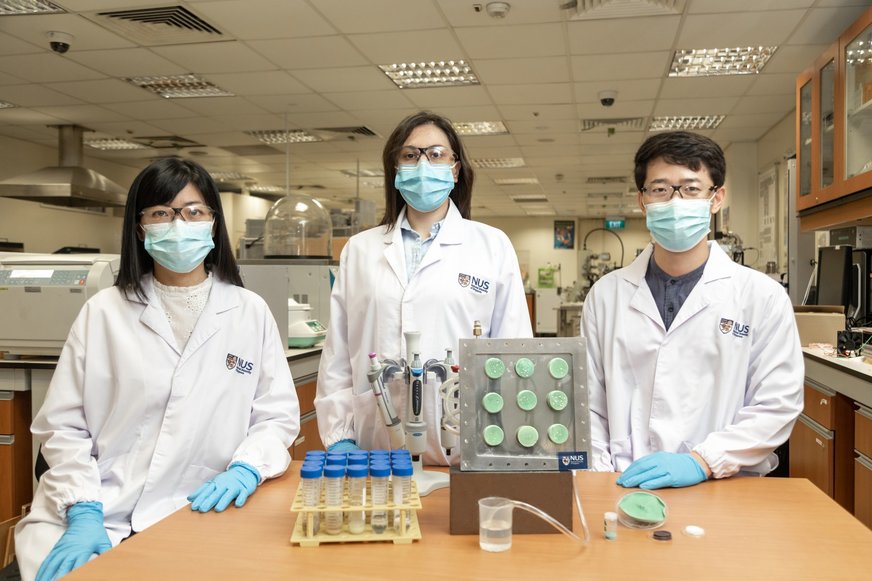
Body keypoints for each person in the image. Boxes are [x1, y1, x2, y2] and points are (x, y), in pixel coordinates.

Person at [15, 158, 300, 581]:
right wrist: (84, 508)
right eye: (162, 213)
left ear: (213, 224)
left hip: (203, 503)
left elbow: (276, 417)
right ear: (139, 227)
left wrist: (247, 467)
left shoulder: (248, 311)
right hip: (101, 503)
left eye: (194, 211)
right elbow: (63, 427)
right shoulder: (104, 312)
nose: (179, 224)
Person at [582, 131, 803, 490]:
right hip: (622, 482)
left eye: (690, 188)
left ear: (716, 198)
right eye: (660, 189)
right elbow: (587, 402)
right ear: (642, 201)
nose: (675, 201)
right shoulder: (606, 295)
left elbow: (777, 404)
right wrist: (601, 478)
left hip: (724, 483)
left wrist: (703, 461)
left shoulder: (761, 296)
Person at [315, 111, 533, 465]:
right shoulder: (360, 250)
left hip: (466, 448)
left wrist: (502, 440)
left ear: (455, 169)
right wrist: (340, 436)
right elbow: (339, 354)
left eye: (436, 154)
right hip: (375, 453)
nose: (423, 165)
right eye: (410, 155)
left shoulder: (492, 246)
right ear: (396, 169)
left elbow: (515, 352)